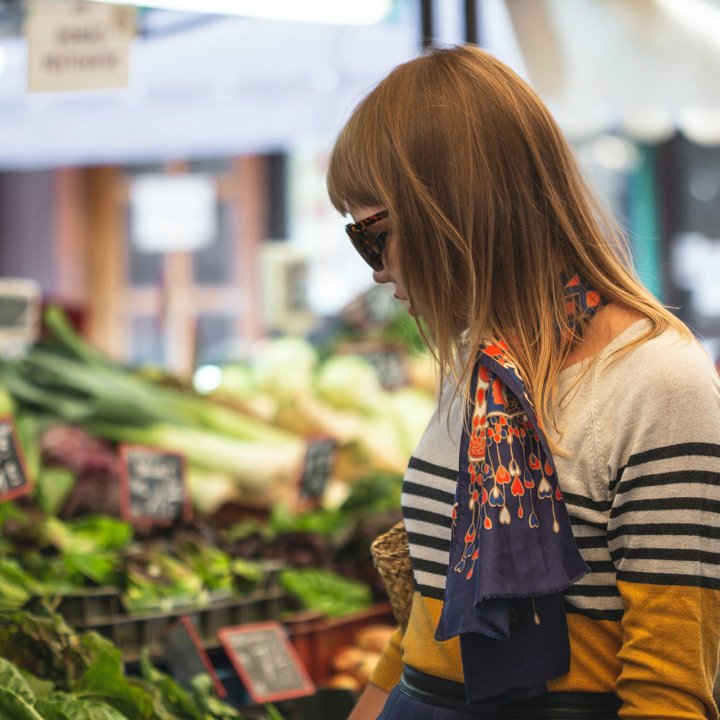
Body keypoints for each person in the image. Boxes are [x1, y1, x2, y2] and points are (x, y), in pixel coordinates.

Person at [326, 45, 720, 720]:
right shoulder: (485, 368)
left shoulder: (660, 383)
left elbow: (670, 690)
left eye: (373, 235)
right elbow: (434, 610)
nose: (376, 270)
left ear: (452, 214)